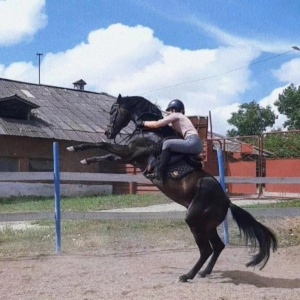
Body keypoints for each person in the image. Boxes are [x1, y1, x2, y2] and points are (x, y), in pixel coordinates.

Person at [140, 99, 203, 184]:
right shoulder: (179, 119)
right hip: (196, 143)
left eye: (168, 111)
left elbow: (158, 124)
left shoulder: (176, 115)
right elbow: (165, 125)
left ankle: (159, 172)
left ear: (173, 110)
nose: (167, 114)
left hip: (192, 141)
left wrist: (143, 123)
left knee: (167, 143)